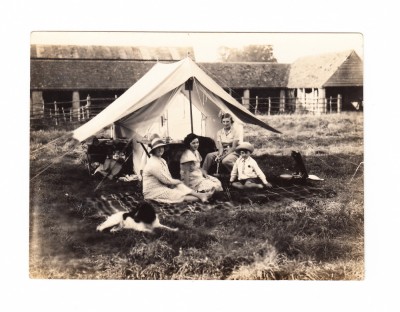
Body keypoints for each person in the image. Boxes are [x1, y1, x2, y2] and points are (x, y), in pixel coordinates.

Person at [142, 137, 214, 204]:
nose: (161, 149)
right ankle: (203, 197)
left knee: (179, 187)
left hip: (163, 186)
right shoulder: (153, 163)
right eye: (157, 148)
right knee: (177, 194)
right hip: (153, 191)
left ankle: (200, 195)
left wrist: (176, 184)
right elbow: (166, 180)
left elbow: (168, 176)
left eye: (162, 147)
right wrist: (177, 182)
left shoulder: (162, 160)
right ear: (153, 150)